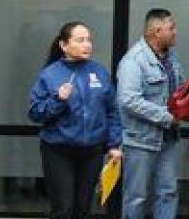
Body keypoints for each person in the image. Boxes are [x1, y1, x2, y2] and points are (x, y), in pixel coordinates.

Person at [29, 21, 122, 219]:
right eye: (80, 40)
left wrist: (114, 144)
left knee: (83, 210)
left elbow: (112, 110)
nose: (87, 44)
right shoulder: (50, 74)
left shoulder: (99, 72)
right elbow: (35, 113)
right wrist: (58, 100)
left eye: (88, 40)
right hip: (58, 151)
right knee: (63, 209)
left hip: (92, 151)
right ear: (64, 45)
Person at [118, 9, 184, 219]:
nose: (175, 32)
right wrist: (167, 117)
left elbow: (178, 89)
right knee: (137, 197)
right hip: (141, 141)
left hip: (168, 139)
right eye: (171, 28)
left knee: (168, 192)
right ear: (157, 31)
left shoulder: (171, 58)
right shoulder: (134, 61)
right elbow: (128, 100)